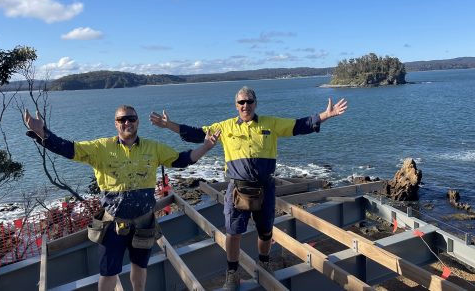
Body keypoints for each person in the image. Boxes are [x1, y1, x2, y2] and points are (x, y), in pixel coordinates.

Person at [149, 86, 348, 290]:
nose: (246, 105)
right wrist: (168, 125)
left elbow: (299, 125)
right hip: (237, 190)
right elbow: (197, 134)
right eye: (241, 102)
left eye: (249, 101)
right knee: (233, 233)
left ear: (255, 103)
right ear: (236, 106)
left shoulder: (271, 123)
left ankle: (263, 263)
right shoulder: (225, 127)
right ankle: (232, 273)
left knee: (266, 232)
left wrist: (326, 115)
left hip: (265, 188)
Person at [24, 105, 220, 291]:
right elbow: (68, 149)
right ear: (116, 123)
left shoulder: (153, 148)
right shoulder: (101, 148)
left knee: (140, 267)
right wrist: (44, 134)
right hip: (113, 225)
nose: (127, 122)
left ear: (138, 122)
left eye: (131, 118)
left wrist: (206, 147)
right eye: (122, 119)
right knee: (108, 273)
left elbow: (181, 160)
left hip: (144, 224)